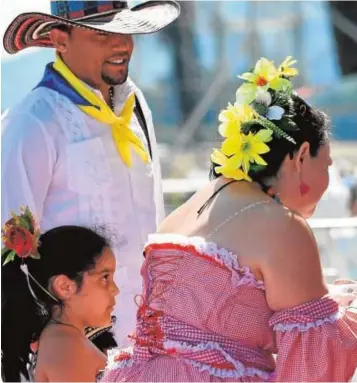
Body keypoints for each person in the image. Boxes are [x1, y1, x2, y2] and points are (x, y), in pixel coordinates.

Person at [101, 57, 357, 382]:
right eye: (327, 164)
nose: (326, 176)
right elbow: (311, 368)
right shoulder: (282, 226)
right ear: (302, 155)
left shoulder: (195, 206)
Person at [1, 0, 180, 347]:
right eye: (102, 33)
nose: (122, 44)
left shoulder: (135, 105)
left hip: (150, 332)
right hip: (79, 344)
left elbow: (153, 215)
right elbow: (9, 255)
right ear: (60, 40)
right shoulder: (32, 122)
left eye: (125, 30)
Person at [1, 206, 119, 382]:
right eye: (105, 277)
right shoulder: (67, 348)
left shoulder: (64, 339)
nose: (115, 289)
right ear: (64, 286)